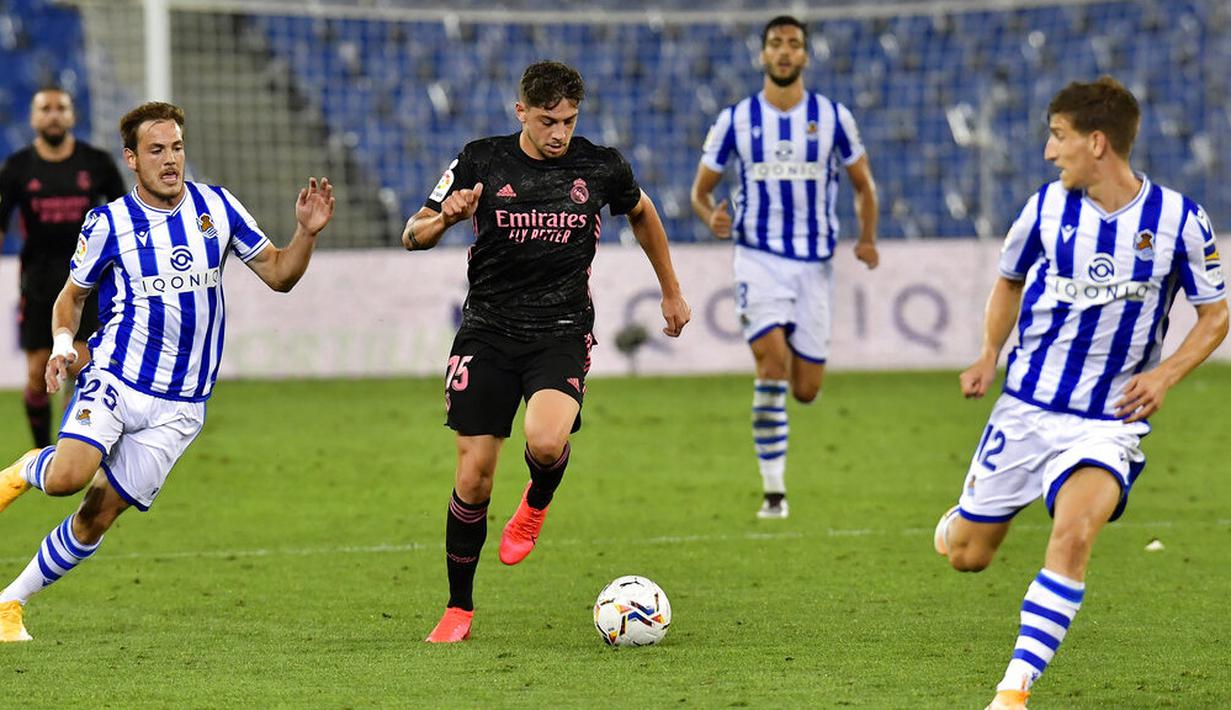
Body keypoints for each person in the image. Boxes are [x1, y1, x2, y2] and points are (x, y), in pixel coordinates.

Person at [931, 77, 1227, 710]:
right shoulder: (1044, 209)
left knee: (1071, 537)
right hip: (1028, 408)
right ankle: (959, 524)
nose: (1048, 151)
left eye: (1057, 136)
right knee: (968, 556)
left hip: (1108, 421)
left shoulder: (1179, 220)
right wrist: (988, 353)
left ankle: (1013, 690)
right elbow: (1008, 282)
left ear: (1096, 143)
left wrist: (1165, 375)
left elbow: (1215, 315)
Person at [0, 101, 335, 642]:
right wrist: (63, 345)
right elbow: (71, 297)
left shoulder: (218, 207)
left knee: (96, 516)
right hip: (117, 377)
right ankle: (25, 469)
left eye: (176, 147)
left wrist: (306, 234)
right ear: (132, 159)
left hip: (181, 407)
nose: (170, 159)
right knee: (66, 479)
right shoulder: (109, 223)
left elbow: (279, 273)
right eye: (156, 150)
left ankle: (9, 603)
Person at [402, 60, 691, 643]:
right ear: (521, 113)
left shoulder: (600, 166)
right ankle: (459, 608)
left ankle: (536, 500)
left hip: (560, 330)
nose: (559, 133)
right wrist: (445, 220)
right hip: (486, 331)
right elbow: (413, 233)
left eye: (569, 120)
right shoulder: (480, 160)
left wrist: (671, 290)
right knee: (473, 478)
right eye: (546, 121)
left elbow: (643, 213)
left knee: (546, 440)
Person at [690, 15, 879, 519]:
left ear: (805, 56)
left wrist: (866, 238)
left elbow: (863, 184)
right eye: (775, 43)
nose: (784, 51)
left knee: (806, 390)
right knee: (770, 364)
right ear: (763, 54)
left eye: (793, 44)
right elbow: (700, 192)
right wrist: (712, 217)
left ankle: (791, 366)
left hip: (815, 266)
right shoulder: (735, 119)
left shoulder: (833, 117)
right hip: (757, 257)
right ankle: (774, 493)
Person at [0, 87, 125, 447]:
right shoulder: (17, 168)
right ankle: (41, 451)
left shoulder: (97, 163)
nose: (53, 114)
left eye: (61, 107)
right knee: (37, 375)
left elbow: (124, 219)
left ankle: (73, 449)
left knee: (81, 366)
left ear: (72, 115)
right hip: (38, 282)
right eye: (46, 108)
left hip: (89, 280)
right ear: (33, 117)